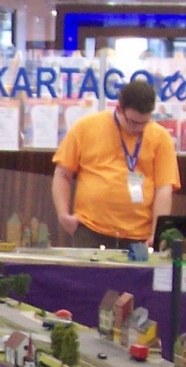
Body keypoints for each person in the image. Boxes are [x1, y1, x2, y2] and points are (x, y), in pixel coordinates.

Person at [52, 80, 179, 249]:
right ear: (119, 108)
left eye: (144, 122)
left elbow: (164, 189)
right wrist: (63, 215)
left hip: (139, 235)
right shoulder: (86, 127)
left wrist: (157, 232)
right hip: (90, 229)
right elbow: (62, 174)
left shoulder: (161, 138)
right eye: (133, 122)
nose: (138, 128)